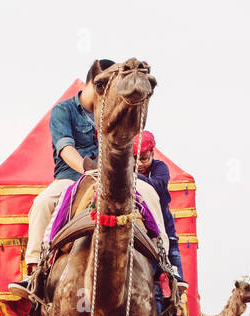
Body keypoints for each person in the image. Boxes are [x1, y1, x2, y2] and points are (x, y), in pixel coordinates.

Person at [11, 59, 167, 298]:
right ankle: (35, 271)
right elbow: (65, 148)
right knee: (43, 203)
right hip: (73, 178)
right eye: (106, 87)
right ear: (95, 85)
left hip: (113, 178)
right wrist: (88, 167)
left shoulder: (109, 111)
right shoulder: (64, 111)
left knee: (149, 194)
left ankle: (165, 267)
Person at [133, 131, 183, 282]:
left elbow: (159, 186)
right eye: (134, 159)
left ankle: (173, 275)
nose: (139, 164)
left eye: (144, 158)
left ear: (152, 154)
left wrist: (135, 178)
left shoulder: (160, 168)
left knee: (174, 273)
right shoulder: (127, 170)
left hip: (162, 224)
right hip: (137, 222)